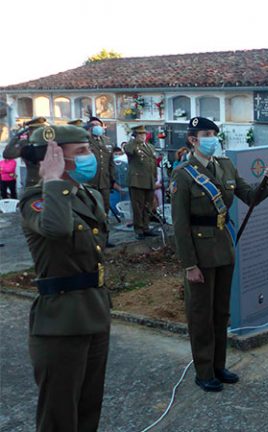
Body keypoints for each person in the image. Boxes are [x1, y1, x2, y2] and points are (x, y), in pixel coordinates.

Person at [171, 117, 268, 392]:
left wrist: (266, 180)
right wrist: (189, 264)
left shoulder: (226, 166)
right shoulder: (183, 174)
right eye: (206, 134)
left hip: (224, 248)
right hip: (200, 253)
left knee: (220, 313)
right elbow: (180, 225)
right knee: (200, 314)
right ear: (193, 139)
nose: (212, 138)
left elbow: (250, 197)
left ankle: (219, 365)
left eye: (214, 133)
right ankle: (204, 370)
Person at [18, 125, 111, 431]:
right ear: (53, 157)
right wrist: (53, 179)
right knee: (59, 416)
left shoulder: (89, 195)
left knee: (88, 408)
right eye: (81, 152)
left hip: (94, 313)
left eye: (89, 150)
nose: (90, 157)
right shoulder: (36, 199)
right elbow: (57, 230)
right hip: (61, 322)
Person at [85, 117, 118, 246]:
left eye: (99, 125)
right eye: (93, 125)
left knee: (104, 211)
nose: (97, 127)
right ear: (89, 128)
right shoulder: (85, 142)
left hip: (104, 182)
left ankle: (104, 238)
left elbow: (110, 163)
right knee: (91, 210)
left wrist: (112, 180)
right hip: (91, 182)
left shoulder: (107, 141)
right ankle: (91, 239)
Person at [124, 125, 158, 240]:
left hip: (149, 180)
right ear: (135, 135)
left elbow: (152, 163)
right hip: (137, 180)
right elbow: (128, 150)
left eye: (144, 134)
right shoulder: (132, 146)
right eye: (139, 134)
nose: (142, 136)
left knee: (147, 206)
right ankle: (139, 229)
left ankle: (146, 227)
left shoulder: (150, 147)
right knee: (138, 206)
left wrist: (155, 177)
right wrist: (133, 140)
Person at [3, 117, 48, 188]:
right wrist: (17, 136)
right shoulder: (25, 146)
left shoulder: (51, 143)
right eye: (35, 130)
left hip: (50, 182)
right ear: (29, 132)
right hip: (33, 183)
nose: (40, 133)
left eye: (42, 130)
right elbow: (7, 154)